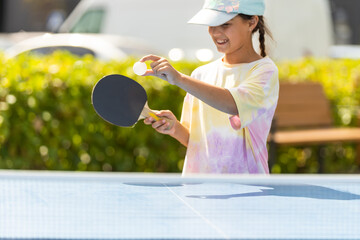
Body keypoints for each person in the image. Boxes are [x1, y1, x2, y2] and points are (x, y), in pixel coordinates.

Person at [140, 0, 279, 175]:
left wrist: (179, 78)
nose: (215, 32)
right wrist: (174, 127)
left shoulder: (264, 71)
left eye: (226, 24)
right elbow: (194, 139)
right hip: (199, 188)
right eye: (211, 25)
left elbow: (233, 104)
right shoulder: (201, 74)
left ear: (251, 22)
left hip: (248, 188)